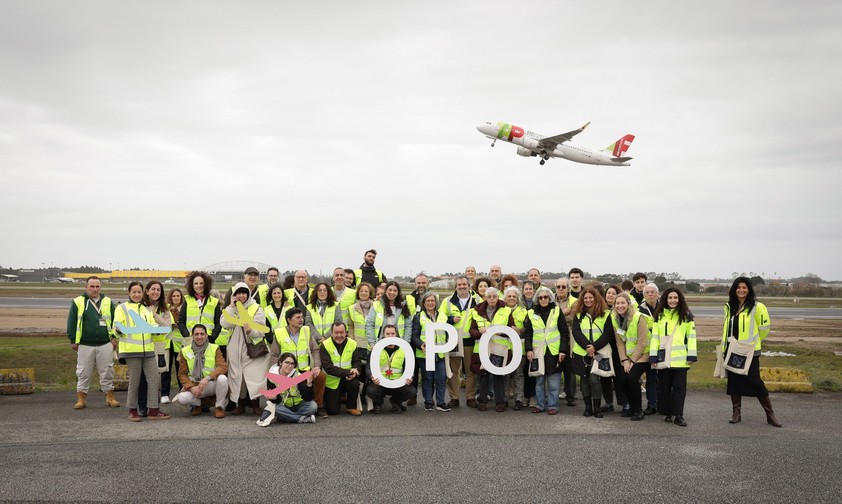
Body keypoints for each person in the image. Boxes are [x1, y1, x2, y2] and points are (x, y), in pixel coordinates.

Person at [722, 277, 781, 427]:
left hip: (749, 351)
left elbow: (764, 329)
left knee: (756, 382)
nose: (741, 290)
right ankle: (736, 413)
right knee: (734, 382)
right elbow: (726, 329)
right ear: (734, 289)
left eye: (744, 287)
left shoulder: (757, 307)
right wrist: (724, 348)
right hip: (732, 350)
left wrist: (753, 342)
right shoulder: (729, 306)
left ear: (749, 290)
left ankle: (770, 414)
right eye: (738, 287)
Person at [114, 281, 169, 421]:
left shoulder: (145, 309)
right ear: (129, 293)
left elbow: (152, 325)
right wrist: (118, 330)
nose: (137, 294)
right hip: (131, 351)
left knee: (154, 379)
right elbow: (115, 328)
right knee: (135, 381)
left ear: (143, 293)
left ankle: (153, 410)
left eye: (139, 292)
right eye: (134, 292)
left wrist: (158, 330)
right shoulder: (122, 308)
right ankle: (132, 410)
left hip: (148, 351)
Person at [66, 276, 120, 410]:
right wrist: (73, 340)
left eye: (97, 286)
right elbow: (71, 322)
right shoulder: (78, 302)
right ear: (86, 287)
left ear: (100, 287)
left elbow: (115, 321)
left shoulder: (108, 302)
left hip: (105, 343)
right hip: (85, 344)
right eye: (92, 286)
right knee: (83, 372)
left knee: (107, 371)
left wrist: (114, 338)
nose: (95, 289)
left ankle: (110, 397)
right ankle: (81, 398)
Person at [220, 282, 270, 416]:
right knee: (238, 376)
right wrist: (231, 307)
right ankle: (240, 403)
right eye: (238, 293)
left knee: (254, 376)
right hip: (235, 347)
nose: (241, 296)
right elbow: (224, 323)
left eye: (244, 293)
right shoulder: (231, 308)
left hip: (252, 347)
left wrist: (250, 331)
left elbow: (261, 329)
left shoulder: (256, 307)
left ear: (248, 294)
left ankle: (255, 404)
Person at [649, 287, 696, 427]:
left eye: (675, 298)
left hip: (680, 360)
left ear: (680, 299)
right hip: (664, 359)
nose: (673, 300)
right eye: (670, 298)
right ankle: (669, 413)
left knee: (679, 389)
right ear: (665, 299)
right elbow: (655, 338)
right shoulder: (659, 316)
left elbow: (691, 336)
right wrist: (653, 356)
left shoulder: (686, 315)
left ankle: (678, 415)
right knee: (664, 388)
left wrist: (692, 355)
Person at [270, 308, 328, 419]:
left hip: (304, 369)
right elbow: (274, 355)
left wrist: (316, 367)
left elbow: (315, 350)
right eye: (298, 317)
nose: (301, 320)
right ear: (289, 320)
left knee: (320, 376)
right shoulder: (279, 333)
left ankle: (318, 407)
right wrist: (278, 372)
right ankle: (291, 410)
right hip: (288, 371)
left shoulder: (306, 330)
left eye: (302, 317)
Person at [524, 286, 569, 414]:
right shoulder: (531, 313)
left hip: (554, 351)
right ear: (537, 299)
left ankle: (553, 406)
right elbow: (528, 333)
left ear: (550, 298)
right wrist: (528, 349)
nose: (543, 299)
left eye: (546, 297)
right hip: (538, 352)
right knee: (539, 382)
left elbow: (564, 332)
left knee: (553, 383)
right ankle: (540, 405)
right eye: (540, 298)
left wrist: (563, 350)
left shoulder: (557, 311)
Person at [570, 287, 614, 418]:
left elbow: (608, 333)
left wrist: (594, 347)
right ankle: (588, 407)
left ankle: (597, 407)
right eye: (585, 298)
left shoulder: (606, 314)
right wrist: (587, 347)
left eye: (591, 297)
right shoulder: (578, 315)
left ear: (596, 298)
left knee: (594, 379)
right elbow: (576, 332)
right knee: (584, 380)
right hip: (582, 353)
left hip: (599, 352)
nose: (588, 300)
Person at [469, 287, 514, 412]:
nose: (492, 299)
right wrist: (480, 332)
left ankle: (500, 402)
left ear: (498, 297)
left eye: (494, 296)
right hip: (483, 348)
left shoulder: (506, 310)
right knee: (483, 375)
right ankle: (482, 401)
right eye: (489, 297)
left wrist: (502, 332)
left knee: (498, 375)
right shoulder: (476, 311)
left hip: (499, 348)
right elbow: (471, 330)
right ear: (485, 297)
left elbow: (511, 328)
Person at [441, 275, 479, 408]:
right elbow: (440, 318)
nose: (462, 287)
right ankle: (454, 397)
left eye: (464, 284)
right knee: (453, 371)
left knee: (470, 370)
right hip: (454, 340)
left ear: (469, 286)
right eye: (459, 285)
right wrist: (450, 320)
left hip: (470, 341)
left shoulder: (477, 300)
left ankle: (470, 397)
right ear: (455, 287)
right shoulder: (447, 301)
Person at [175, 324, 228, 418]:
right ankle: (198, 404)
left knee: (223, 379)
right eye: (196, 334)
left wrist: (208, 378)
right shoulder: (184, 351)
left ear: (206, 335)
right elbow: (182, 374)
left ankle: (219, 407)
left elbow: (222, 367)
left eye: (202, 334)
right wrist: (191, 388)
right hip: (195, 385)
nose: (199, 337)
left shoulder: (214, 348)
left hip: (210, 384)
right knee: (181, 398)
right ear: (192, 336)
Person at [612, 293, 649, 421]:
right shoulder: (615, 319)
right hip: (628, 357)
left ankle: (638, 410)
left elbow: (642, 342)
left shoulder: (638, 317)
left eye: (623, 303)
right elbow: (619, 342)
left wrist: (632, 361)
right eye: (617, 303)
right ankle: (632, 406)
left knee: (632, 378)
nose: (620, 306)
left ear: (628, 304)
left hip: (643, 354)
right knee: (622, 379)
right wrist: (624, 360)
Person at [411, 293, 449, 412]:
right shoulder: (418, 317)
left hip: (440, 353)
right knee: (428, 378)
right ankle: (428, 402)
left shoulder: (443, 316)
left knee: (441, 378)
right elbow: (414, 336)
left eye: (432, 301)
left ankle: (440, 402)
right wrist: (420, 344)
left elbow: (447, 332)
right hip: (425, 354)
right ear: (424, 303)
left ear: (436, 303)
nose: (430, 303)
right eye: (428, 301)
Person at [257, 352, 317, 425]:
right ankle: (302, 419)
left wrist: (309, 385)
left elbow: (308, 398)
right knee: (276, 409)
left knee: (313, 406)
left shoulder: (298, 375)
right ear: (280, 362)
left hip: (299, 404)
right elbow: (276, 401)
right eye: (287, 362)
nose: (290, 366)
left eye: (292, 364)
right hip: (283, 406)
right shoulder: (271, 377)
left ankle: (287, 417)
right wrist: (274, 398)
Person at [142, 281, 175, 407]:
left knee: (161, 371)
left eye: (158, 290)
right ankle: (149, 398)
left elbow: (167, 327)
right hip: (145, 344)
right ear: (147, 291)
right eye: (153, 289)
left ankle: (161, 395)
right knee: (147, 374)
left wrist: (154, 315)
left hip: (161, 345)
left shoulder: (164, 308)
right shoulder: (140, 306)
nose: (155, 292)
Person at [367, 325, 415, 413]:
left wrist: (410, 377)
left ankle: (396, 402)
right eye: (388, 334)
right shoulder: (376, 349)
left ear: (396, 334)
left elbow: (409, 367)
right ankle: (378, 403)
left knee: (411, 391)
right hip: (380, 383)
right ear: (383, 335)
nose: (390, 336)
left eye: (392, 334)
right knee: (371, 390)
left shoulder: (404, 349)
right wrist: (371, 376)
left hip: (398, 383)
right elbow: (368, 366)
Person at [320, 322, 363, 416]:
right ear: (331, 333)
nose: (339, 335)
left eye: (341, 332)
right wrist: (346, 373)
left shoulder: (353, 343)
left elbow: (357, 361)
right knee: (332, 411)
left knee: (355, 383)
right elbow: (328, 367)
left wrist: (355, 371)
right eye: (336, 332)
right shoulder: (325, 345)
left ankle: (351, 407)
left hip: (349, 379)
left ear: (346, 332)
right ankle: (337, 399)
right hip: (332, 381)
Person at [600, 285, 629, 415]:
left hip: (618, 349)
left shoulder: (622, 311)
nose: (610, 295)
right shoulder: (600, 310)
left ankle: (624, 403)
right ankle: (608, 403)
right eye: (608, 293)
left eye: (613, 293)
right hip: (604, 348)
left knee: (619, 377)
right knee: (605, 376)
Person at [178, 271, 222, 355]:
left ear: (206, 284)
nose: (199, 285)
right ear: (192, 285)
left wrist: (212, 337)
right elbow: (181, 322)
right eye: (196, 283)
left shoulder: (214, 301)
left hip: (208, 341)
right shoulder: (187, 300)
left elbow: (218, 323)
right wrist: (187, 336)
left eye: (201, 283)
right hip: (190, 340)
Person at [503, 286, 529, 410]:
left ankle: (519, 400)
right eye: (509, 296)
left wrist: (520, 330)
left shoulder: (524, 311)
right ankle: (504, 399)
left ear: (518, 298)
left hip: (519, 348)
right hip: (504, 349)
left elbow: (528, 329)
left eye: (514, 296)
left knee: (518, 375)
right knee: (505, 375)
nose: (512, 298)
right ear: (505, 298)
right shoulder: (501, 311)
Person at [365, 281, 413, 347]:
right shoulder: (376, 305)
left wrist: (405, 344)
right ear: (386, 291)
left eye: (395, 291)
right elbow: (370, 324)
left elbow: (408, 326)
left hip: (398, 344)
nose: (392, 292)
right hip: (379, 343)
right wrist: (372, 343)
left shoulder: (403, 306)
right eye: (390, 290)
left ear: (398, 293)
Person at [637, 283, 660, 415]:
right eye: (647, 292)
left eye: (652, 292)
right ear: (644, 295)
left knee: (662, 379)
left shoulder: (665, 308)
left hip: (661, 349)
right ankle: (652, 404)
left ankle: (662, 403)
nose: (650, 294)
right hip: (645, 350)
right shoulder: (638, 310)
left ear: (658, 294)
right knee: (650, 378)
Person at [554, 278, 577, 407]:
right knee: (554, 369)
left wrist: (557, 317)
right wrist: (562, 314)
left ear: (568, 288)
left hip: (569, 340)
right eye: (559, 287)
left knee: (570, 371)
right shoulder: (550, 300)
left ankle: (570, 396)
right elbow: (549, 319)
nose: (561, 289)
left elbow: (575, 319)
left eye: (564, 287)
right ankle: (553, 396)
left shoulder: (575, 301)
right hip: (554, 341)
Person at [165, 287, 185, 400]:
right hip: (168, 341)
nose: (176, 298)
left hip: (180, 342)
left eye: (178, 296)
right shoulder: (166, 308)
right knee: (166, 369)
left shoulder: (184, 308)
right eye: (173, 296)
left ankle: (182, 391)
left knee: (180, 368)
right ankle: (165, 393)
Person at [347, 282, 376, 350]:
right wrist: (352, 341)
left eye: (366, 291)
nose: (363, 293)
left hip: (373, 344)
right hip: (359, 345)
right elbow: (350, 327)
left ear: (370, 293)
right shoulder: (352, 308)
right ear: (358, 293)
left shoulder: (376, 306)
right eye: (361, 291)